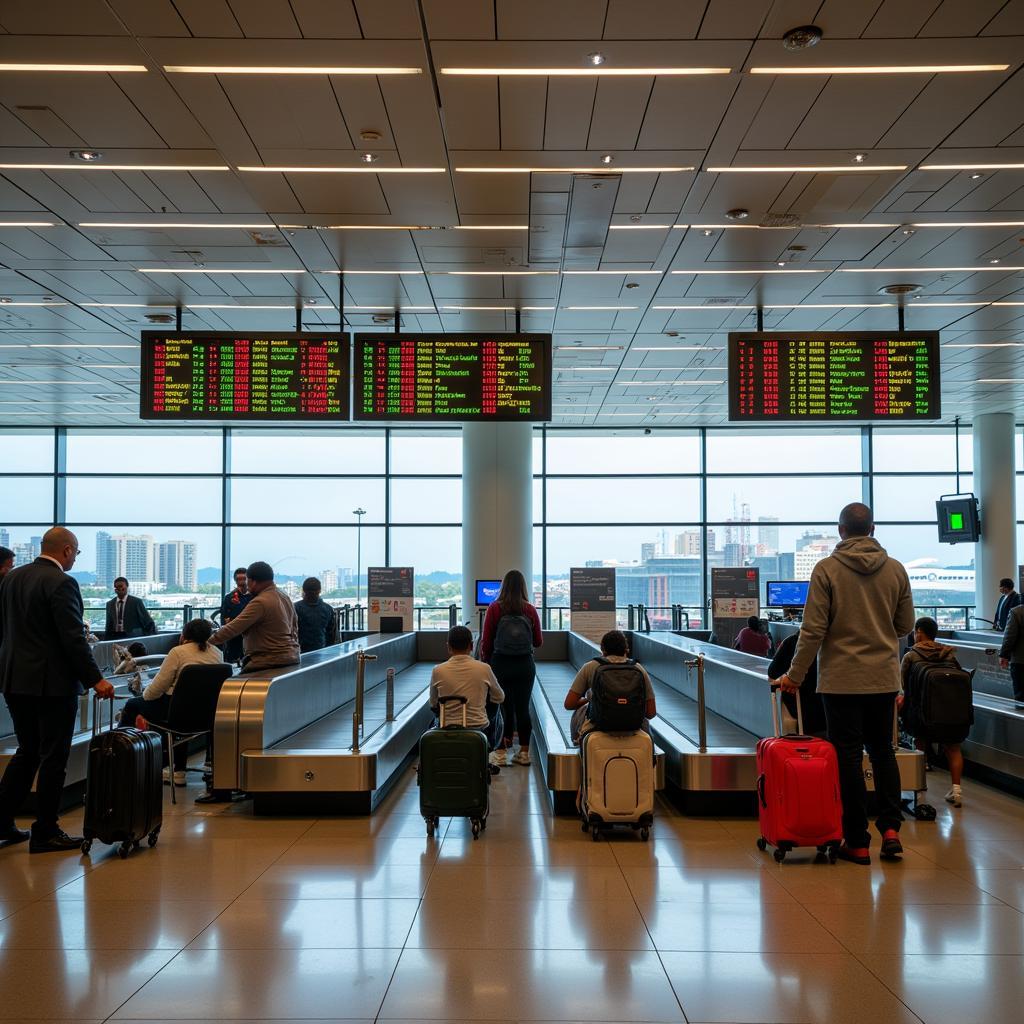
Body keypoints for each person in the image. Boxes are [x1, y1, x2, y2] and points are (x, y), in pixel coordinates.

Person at [776, 503, 915, 866]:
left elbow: (813, 630)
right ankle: (891, 830)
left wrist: (795, 675)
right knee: (883, 752)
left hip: (840, 680)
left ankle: (856, 840)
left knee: (848, 758)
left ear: (840, 531)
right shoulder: (896, 570)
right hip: (883, 678)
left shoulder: (827, 570)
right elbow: (904, 626)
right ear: (872, 528)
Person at [0, 527, 115, 853]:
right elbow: (72, 639)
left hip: (13, 680)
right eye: (76, 553)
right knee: (53, 757)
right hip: (51, 685)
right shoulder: (62, 582)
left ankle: (2, 820)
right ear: (66, 550)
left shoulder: (12, 578)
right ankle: (45, 831)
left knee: (28, 751)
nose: (75, 559)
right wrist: (96, 679)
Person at [118, 618, 224, 787]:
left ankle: (119, 758)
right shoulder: (217, 653)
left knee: (133, 704)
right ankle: (178, 770)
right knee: (183, 706)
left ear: (185, 635)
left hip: (177, 715)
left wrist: (144, 693)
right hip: (206, 718)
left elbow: (155, 690)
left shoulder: (177, 652)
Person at [901, 616, 972, 808]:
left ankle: (920, 785)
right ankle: (956, 789)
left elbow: (903, 686)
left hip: (922, 713)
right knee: (954, 748)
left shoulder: (911, 655)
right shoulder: (948, 653)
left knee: (920, 745)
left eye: (916, 632)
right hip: (951, 712)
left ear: (920, 632)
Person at [480, 569, 543, 767]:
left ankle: (500, 752)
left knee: (501, 707)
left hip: (500, 664)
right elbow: (539, 642)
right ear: (523, 586)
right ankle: (524, 753)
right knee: (522, 708)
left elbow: (486, 642)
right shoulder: (530, 610)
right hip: (525, 664)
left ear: (503, 586)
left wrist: (487, 663)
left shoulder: (494, 608)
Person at [564, 630, 656, 744]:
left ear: (603, 650)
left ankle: (578, 746)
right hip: (634, 726)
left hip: (597, 725)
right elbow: (651, 713)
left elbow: (569, 704)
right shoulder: (639, 669)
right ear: (626, 649)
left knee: (580, 712)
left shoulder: (590, 667)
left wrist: (590, 699)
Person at [209, 561, 300, 672]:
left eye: (247, 580)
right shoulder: (284, 596)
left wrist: (206, 641)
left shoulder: (260, 602)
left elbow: (233, 628)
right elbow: (295, 626)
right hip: (291, 657)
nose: (246, 584)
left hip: (267, 661)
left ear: (253, 581)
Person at [429, 625, 505, 751]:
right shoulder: (484, 668)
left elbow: (433, 703)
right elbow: (500, 697)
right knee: (497, 704)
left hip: (446, 725)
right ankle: (494, 747)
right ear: (471, 645)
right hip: (478, 725)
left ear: (448, 646)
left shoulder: (438, 670)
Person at [768, 631, 826, 736]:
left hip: (802, 708)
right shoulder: (834, 645)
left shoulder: (792, 641)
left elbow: (772, 672)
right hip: (830, 706)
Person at [295, 577, 338, 653]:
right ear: (320, 590)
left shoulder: (295, 608)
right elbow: (332, 635)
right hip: (322, 650)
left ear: (304, 590)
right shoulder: (328, 609)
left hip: (300, 652)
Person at [218, 567, 252, 664]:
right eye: (238, 579)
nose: (242, 582)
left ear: (248, 579)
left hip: (251, 637)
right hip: (234, 637)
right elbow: (224, 620)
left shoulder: (254, 597)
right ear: (235, 581)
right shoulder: (229, 598)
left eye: (244, 579)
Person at [999, 603, 1024, 702]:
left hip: (1021, 661)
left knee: (1021, 696)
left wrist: (1004, 655)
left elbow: (1010, 636)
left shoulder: (1017, 612)